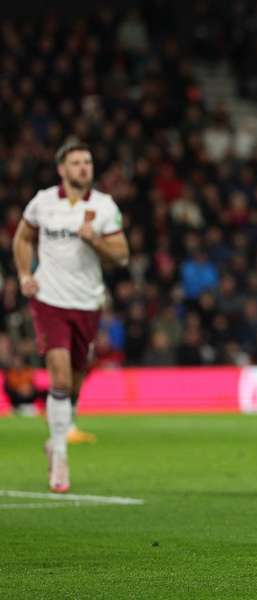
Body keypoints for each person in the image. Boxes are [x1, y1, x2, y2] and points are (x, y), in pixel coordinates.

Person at [12, 140, 129, 493]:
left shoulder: (105, 206)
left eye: (88, 161)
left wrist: (94, 239)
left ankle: (58, 434)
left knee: (75, 381)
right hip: (49, 300)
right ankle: (59, 454)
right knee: (60, 377)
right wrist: (24, 275)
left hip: (87, 303)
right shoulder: (43, 202)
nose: (83, 167)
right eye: (76, 162)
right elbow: (22, 238)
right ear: (62, 168)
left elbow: (121, 255)